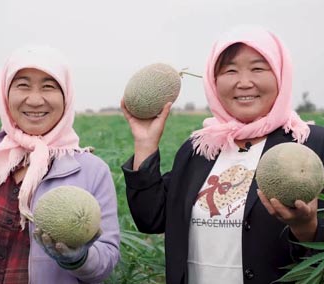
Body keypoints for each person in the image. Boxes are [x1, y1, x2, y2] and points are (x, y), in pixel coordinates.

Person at [120, 25, 324, 284]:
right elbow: (152, 218)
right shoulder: (200, 148)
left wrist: (307, 229)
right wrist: (146, 144)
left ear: (281, 74)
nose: (244, 82)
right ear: (213, 81)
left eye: (258, 68)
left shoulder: (310, 144)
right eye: (230, 70)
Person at [0, 45, 120, 283]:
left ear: (66, 96)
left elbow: (105, 265)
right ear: (5, 93)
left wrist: (79, 259)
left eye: (49, 86)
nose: (34, 100)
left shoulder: (92, 171)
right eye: (22, 85)